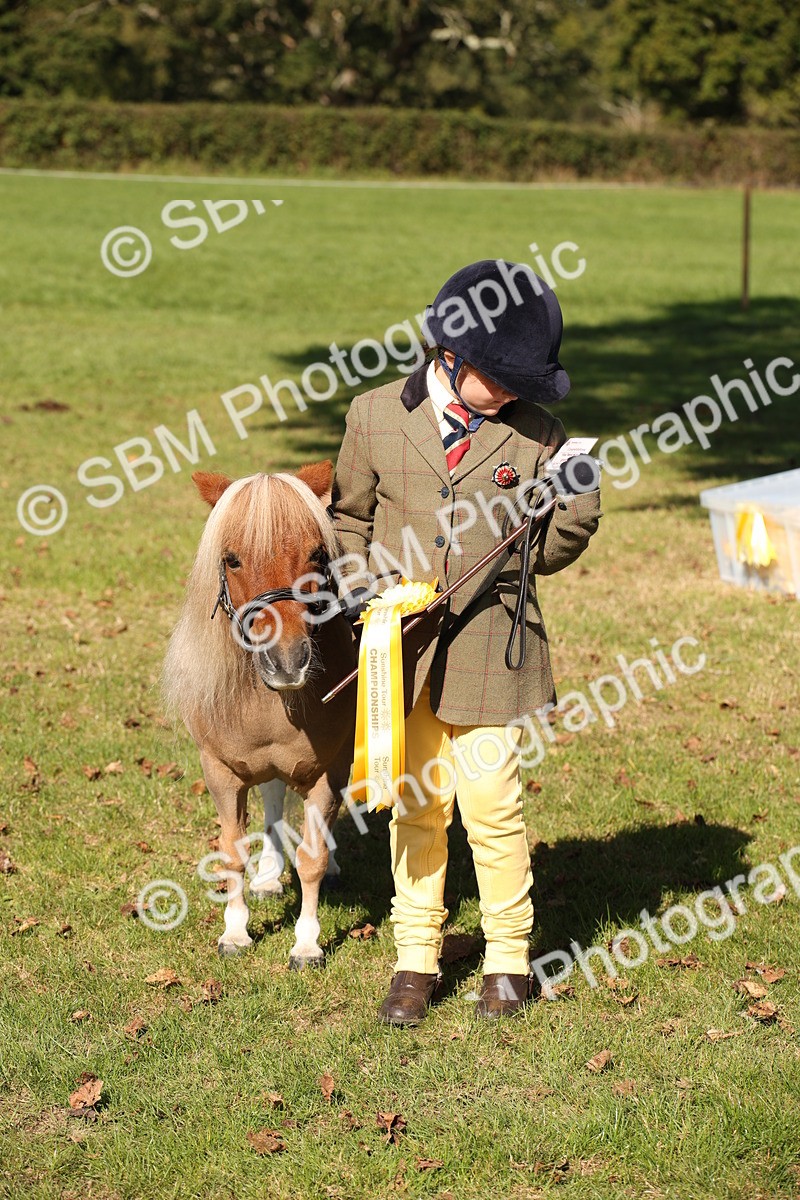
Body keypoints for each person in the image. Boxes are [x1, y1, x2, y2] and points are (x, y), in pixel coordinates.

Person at [332, 259, 602, 1024]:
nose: (513, 393)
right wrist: (364, 595)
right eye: (504, 379)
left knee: (492, 806)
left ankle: (508, 959)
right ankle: (415, 958)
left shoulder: (538, 435)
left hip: (493, 649)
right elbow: (349, 518)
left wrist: (578, 499)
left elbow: (546, 553)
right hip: (402, 653)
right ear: (452, 356)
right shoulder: (374, 416)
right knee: (417, 808)